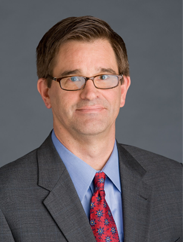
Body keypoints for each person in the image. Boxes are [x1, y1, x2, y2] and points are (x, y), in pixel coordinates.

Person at [0, 16, 181, 242]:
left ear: (122, 89)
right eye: (73, 78)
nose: (90, 93)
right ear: (46, 92)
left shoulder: (176, 184)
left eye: (104, 77)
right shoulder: (5, 199)